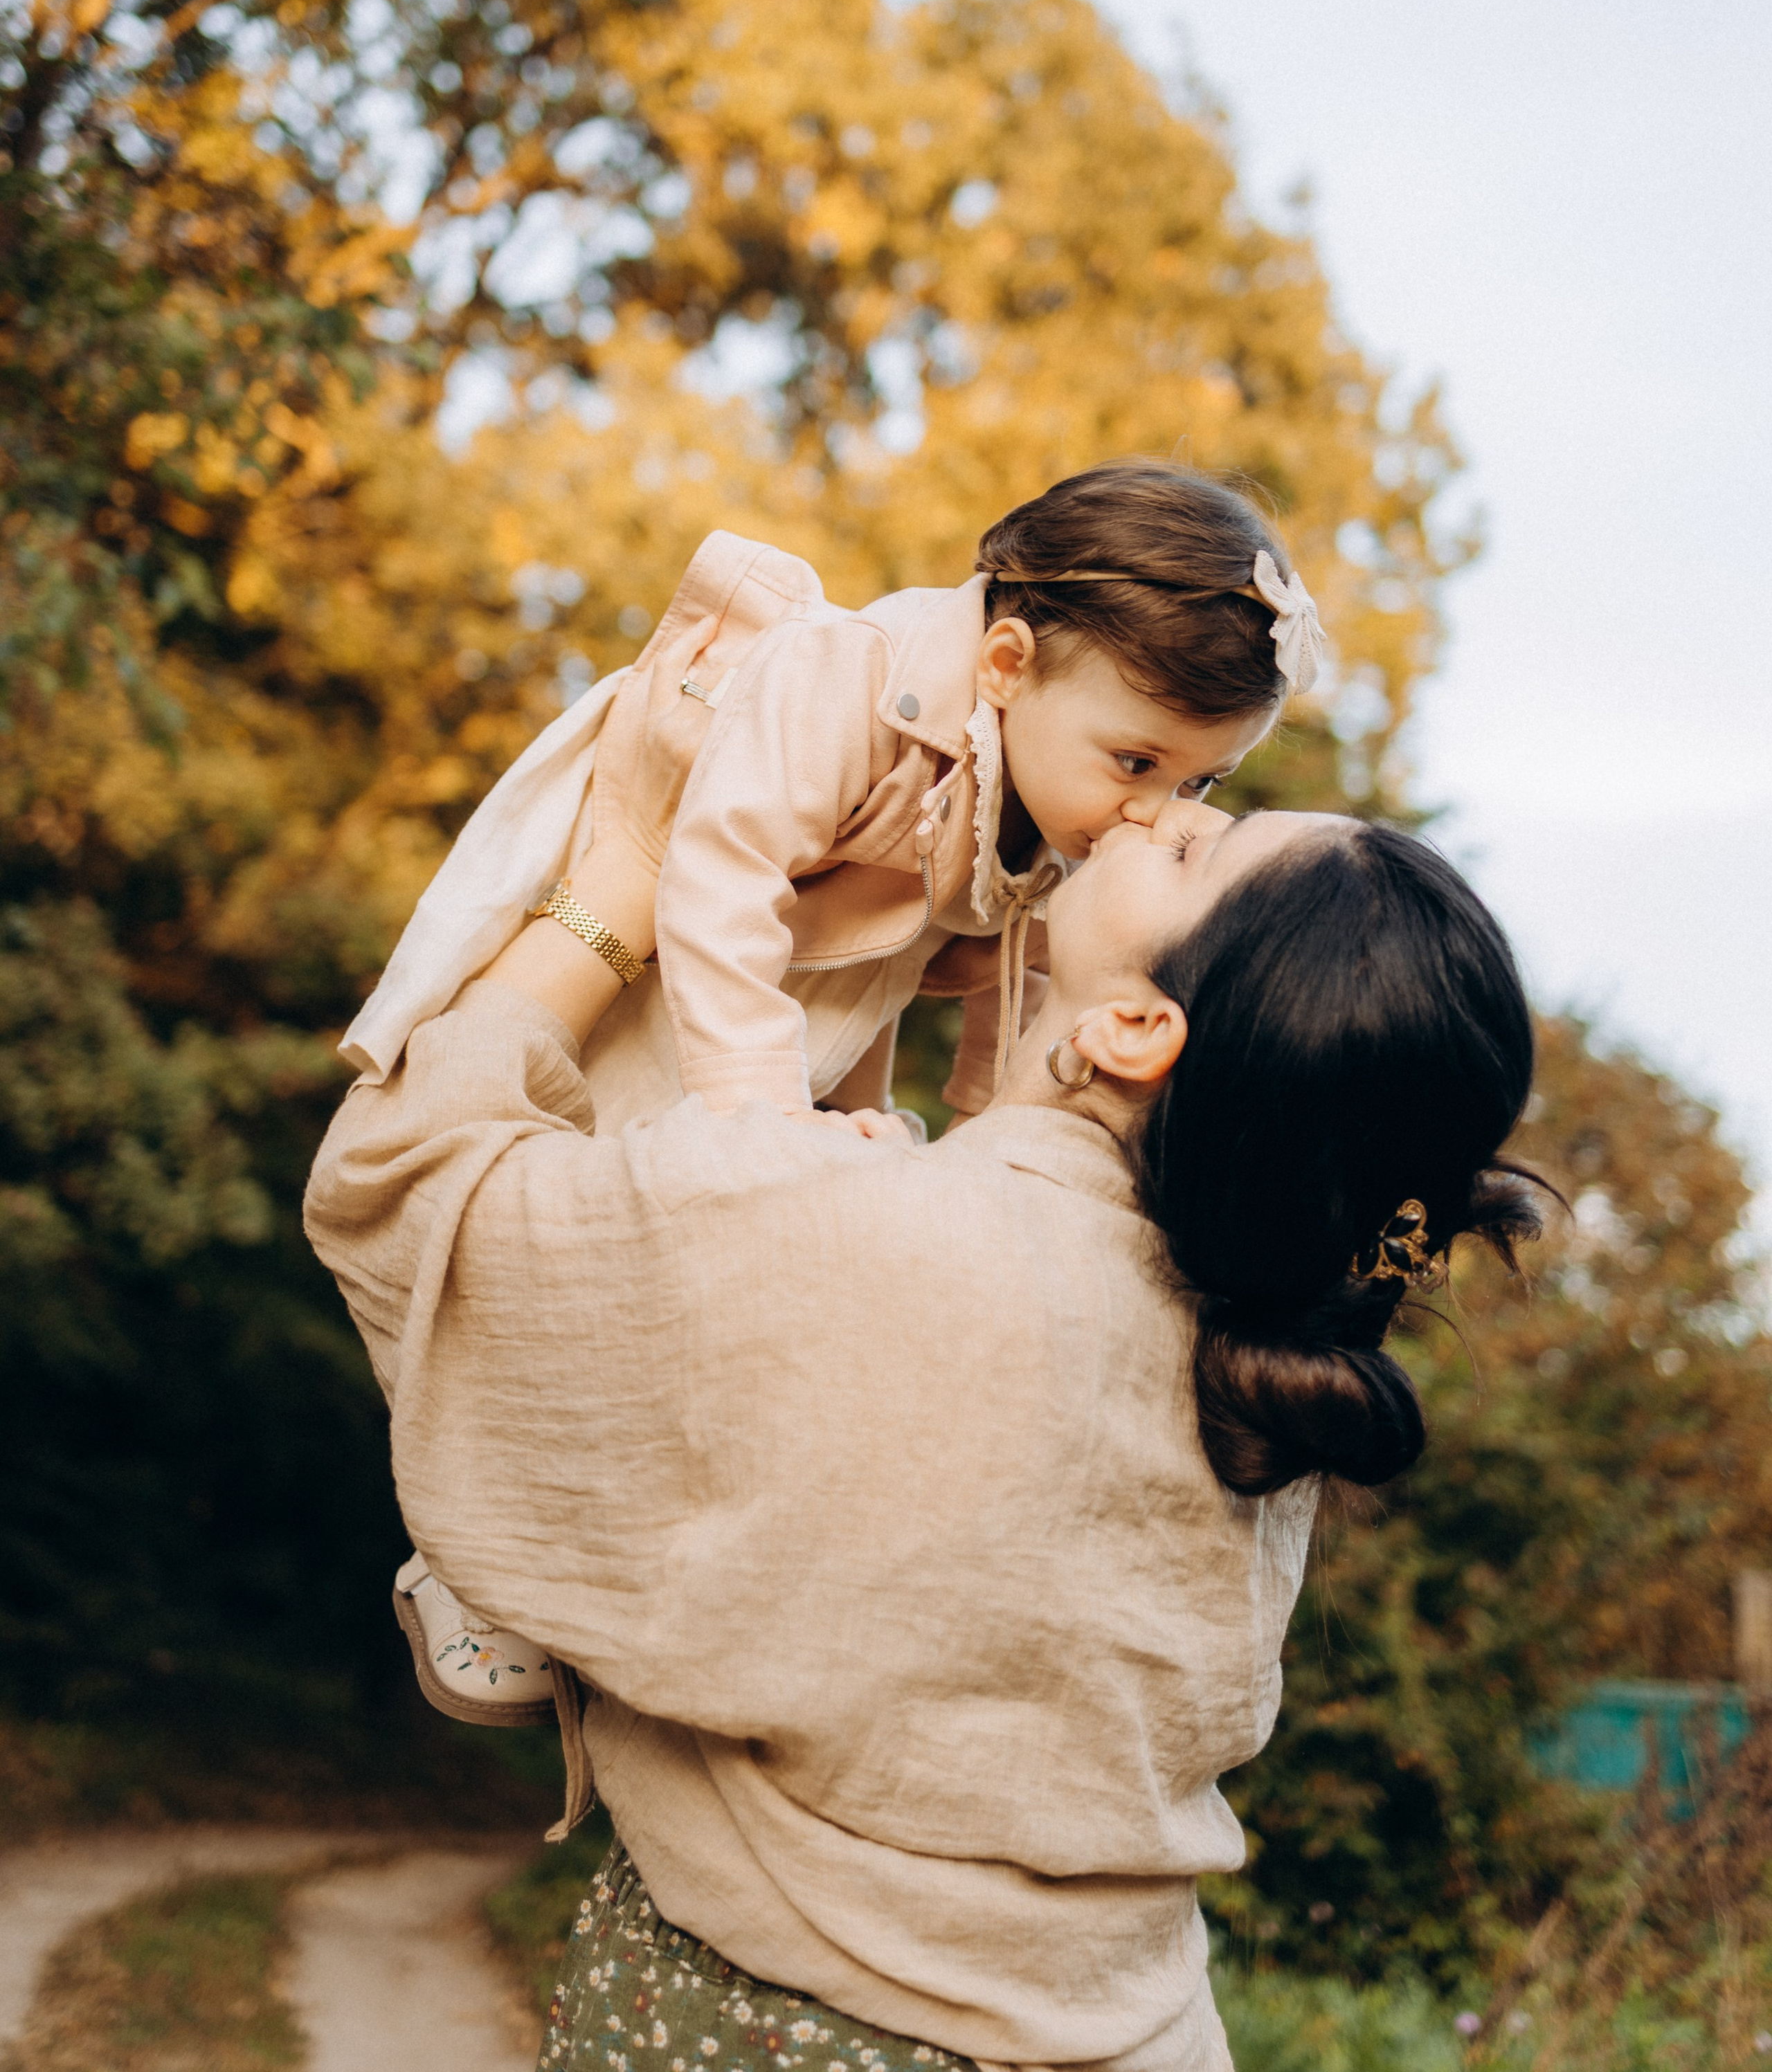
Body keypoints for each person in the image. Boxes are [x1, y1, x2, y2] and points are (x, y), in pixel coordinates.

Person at [305, 618, 1542, 2072]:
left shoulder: (854, 1236)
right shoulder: (1252, 1375)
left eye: (1201, 846)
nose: (1157, 807)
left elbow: (401, 1180)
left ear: (1140, 1024)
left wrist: (623, 878)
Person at [339, 461, 1328, 1721]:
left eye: (1195, 786)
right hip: (682, 994)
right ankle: (465, 1544)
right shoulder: (840, 679)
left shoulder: (1049, 789)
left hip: (799, 1024)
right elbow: (718, 871)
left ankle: (564, 1546)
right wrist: (758, 1122)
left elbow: (1002, 982)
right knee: (584, 1238)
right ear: (1011, 662)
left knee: (729, 1299)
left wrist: (977, 1137)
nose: (1148, 814)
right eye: (1138, 761)